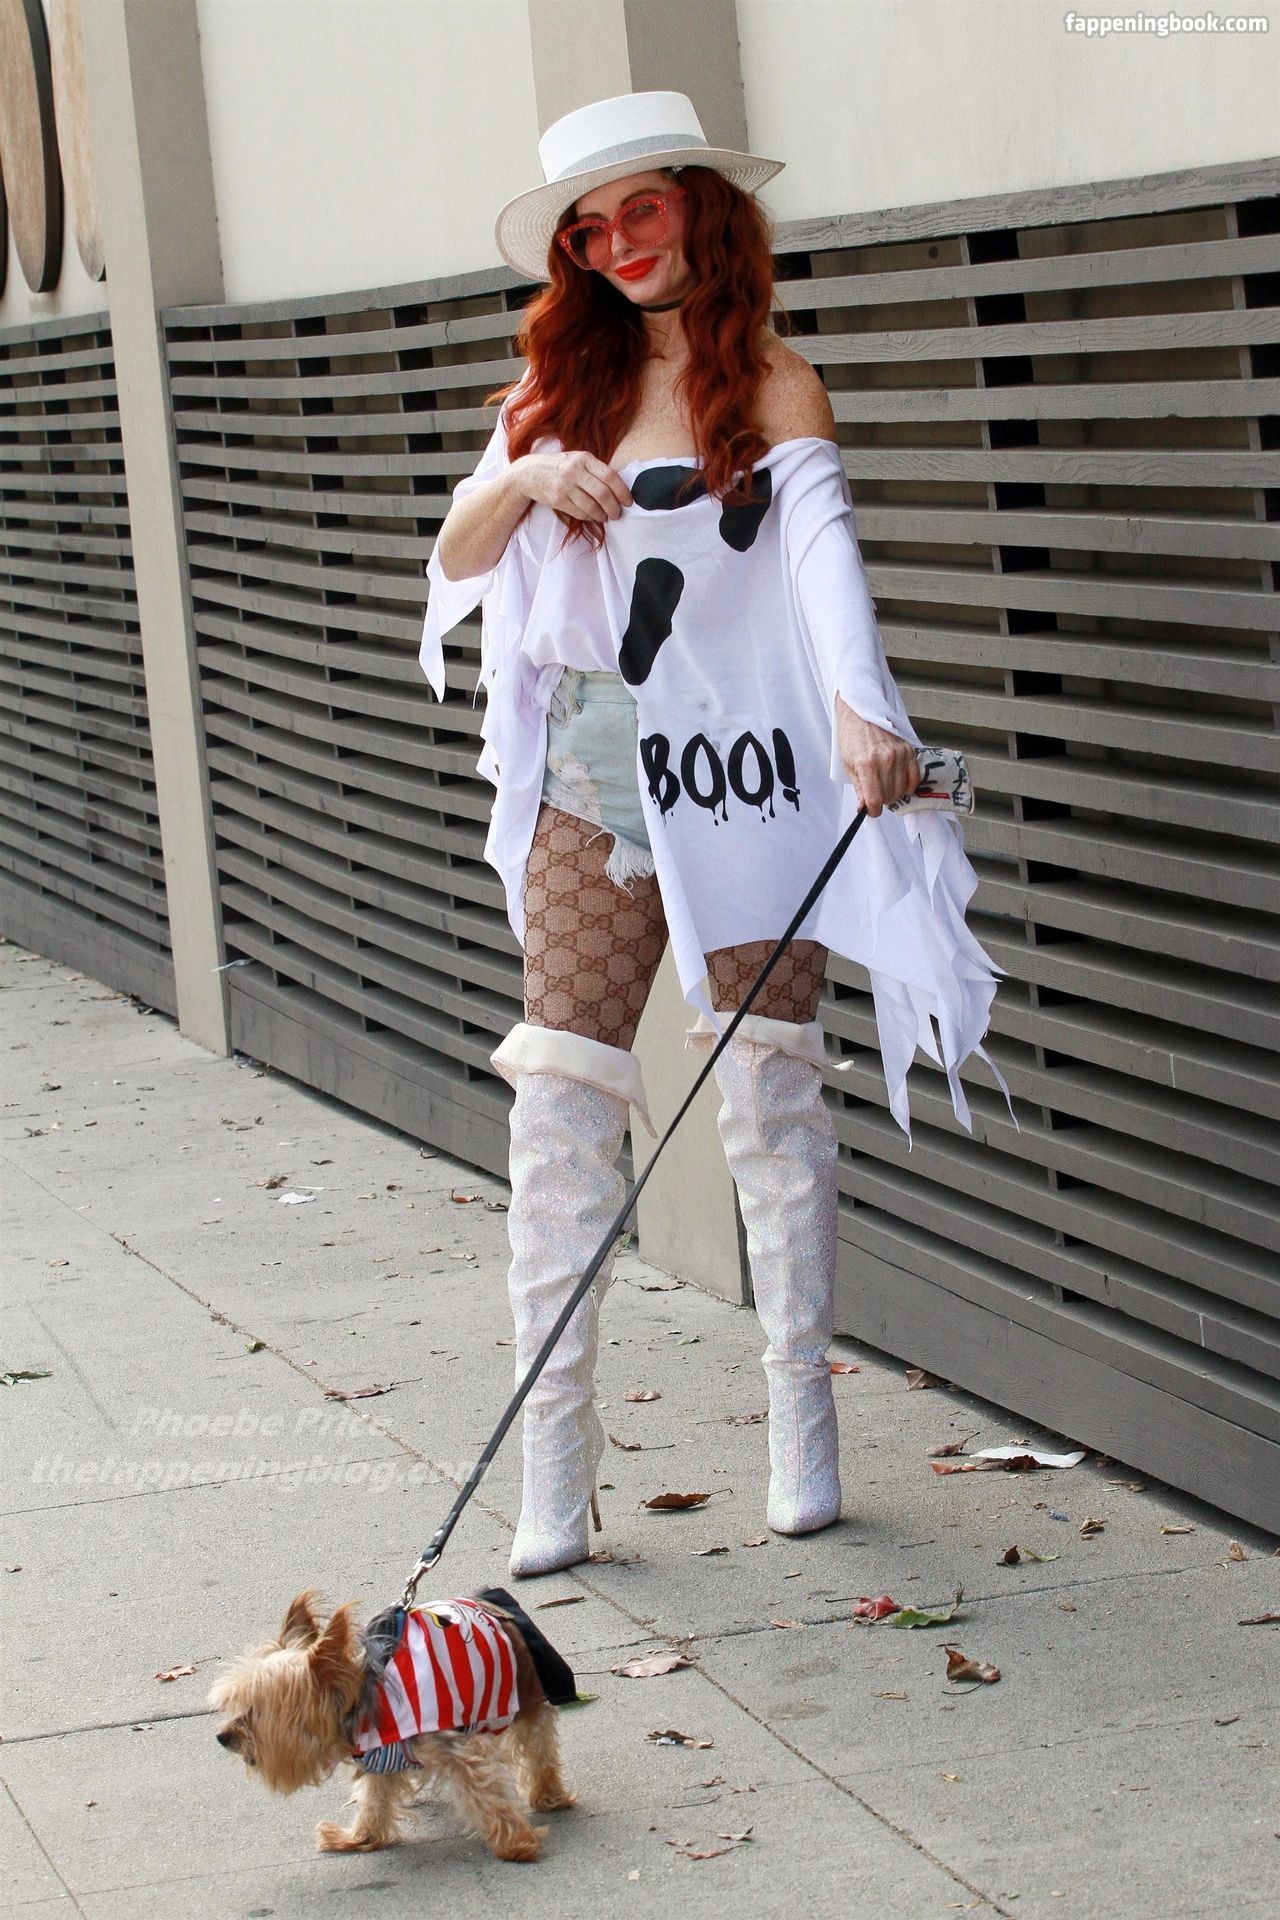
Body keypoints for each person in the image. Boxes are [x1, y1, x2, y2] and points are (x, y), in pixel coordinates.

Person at [419, 92, 1015, 1580]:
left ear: (700, 206)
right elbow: (457, 551)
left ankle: (802, 1430)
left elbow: (822, 564)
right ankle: (555, 1470)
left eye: (644, 208)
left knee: (770, 1089)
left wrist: (862, 714)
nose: (621, 243)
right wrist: (524, 477)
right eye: (590, 228)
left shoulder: (777, 383)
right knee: (561, 1098)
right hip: (597, 771)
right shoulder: (551, 388)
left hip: (750, 769)